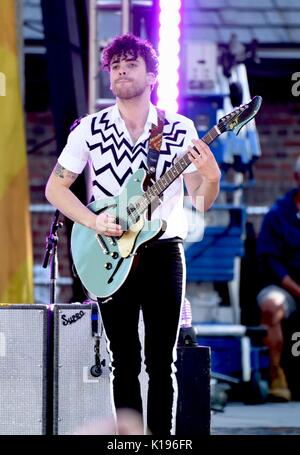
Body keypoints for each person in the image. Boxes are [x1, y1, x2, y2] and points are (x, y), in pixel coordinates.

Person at [45, 33, 221, 435]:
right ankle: (129, 441)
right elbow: (56, 189)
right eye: (115, 66)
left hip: (162, 250)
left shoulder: (178, 127)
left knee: (162, 361)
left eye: (131, 64)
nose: (121, 71)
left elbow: (201, 201)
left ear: (153, 74)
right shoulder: (90, 128)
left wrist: (211, 177)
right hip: (109, 249)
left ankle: (161, 441)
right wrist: (92, 222)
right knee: (123, 357)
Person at [256, 156, 300, 402]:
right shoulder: (278, 214)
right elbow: (271, 261)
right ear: (296, 179)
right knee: (271, 304)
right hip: (285, 288)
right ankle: (276, 375)